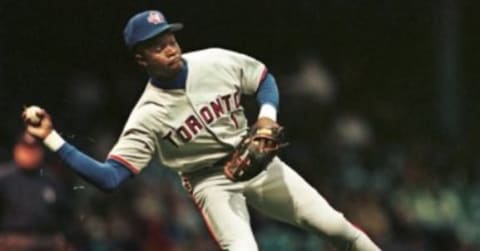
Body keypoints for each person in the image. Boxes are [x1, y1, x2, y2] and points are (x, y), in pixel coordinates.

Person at [24, 10, 381, 251]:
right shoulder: (147, 114)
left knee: (335, 227)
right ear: (141, 59)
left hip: (256, 159)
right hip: (210, 182)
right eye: (157, 46)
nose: (169, 48)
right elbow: (109, 178)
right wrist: (52, 139)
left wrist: (267, 116)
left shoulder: (214, 60)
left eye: (170, 39)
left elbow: (262, 79)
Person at [0, 132, 76, 251]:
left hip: (47, 241)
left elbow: (65, 215)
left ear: (41, 151)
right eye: (26, 148)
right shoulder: (4, 178)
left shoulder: (51, 180)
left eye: (34, 149)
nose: (29, 153)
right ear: (17, 149)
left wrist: (69, 241)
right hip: (12, 241)